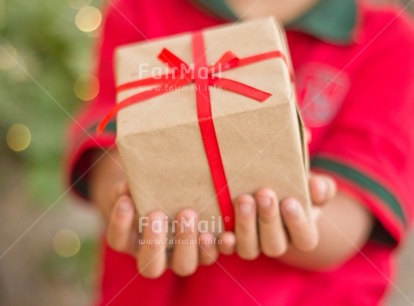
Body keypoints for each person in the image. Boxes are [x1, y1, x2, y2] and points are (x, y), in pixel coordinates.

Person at [66, 0, 414, 305]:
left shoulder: (390, 42)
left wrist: (297, 215)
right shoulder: (141, 8)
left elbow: (347, 220)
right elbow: (108, 148)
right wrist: (126, 204)